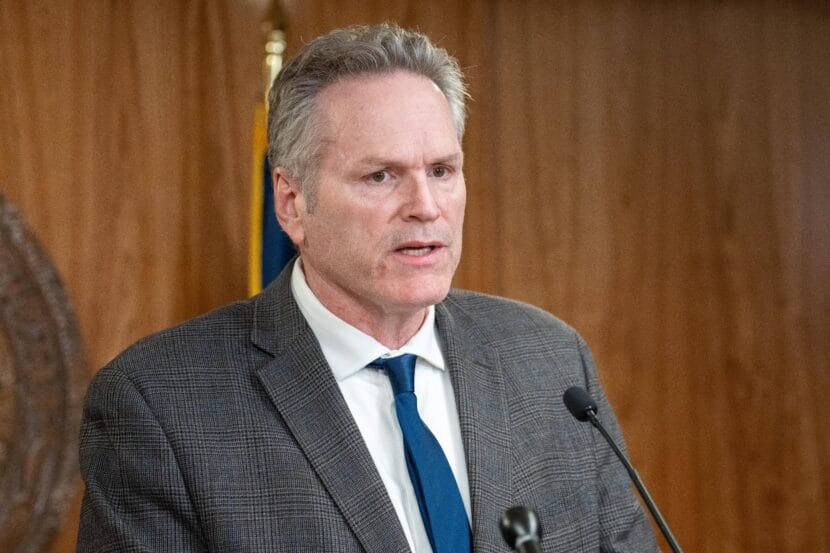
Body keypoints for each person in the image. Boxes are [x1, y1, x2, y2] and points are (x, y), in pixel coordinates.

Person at [77, 23, 658, 553]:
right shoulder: (161, 407)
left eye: (441, 171)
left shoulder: (549, 362)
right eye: (381, 176)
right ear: (292, 203)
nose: (425, 207)